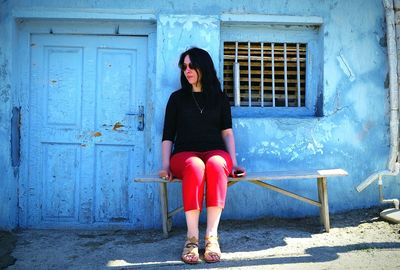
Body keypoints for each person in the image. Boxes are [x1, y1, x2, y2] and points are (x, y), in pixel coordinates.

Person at [159, 47, 246, 264]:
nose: (187, 70)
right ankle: (191, 239)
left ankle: (211, 238)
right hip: (184, 156)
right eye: (184, 67)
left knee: (217, 163)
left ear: (203, 67)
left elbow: (227, 132)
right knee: (196, 166)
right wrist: (165, 165)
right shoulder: (177, 99)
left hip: (215, 152)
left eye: (191, 66)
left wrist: (233, 163)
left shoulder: (219, 98)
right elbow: (168, 135)